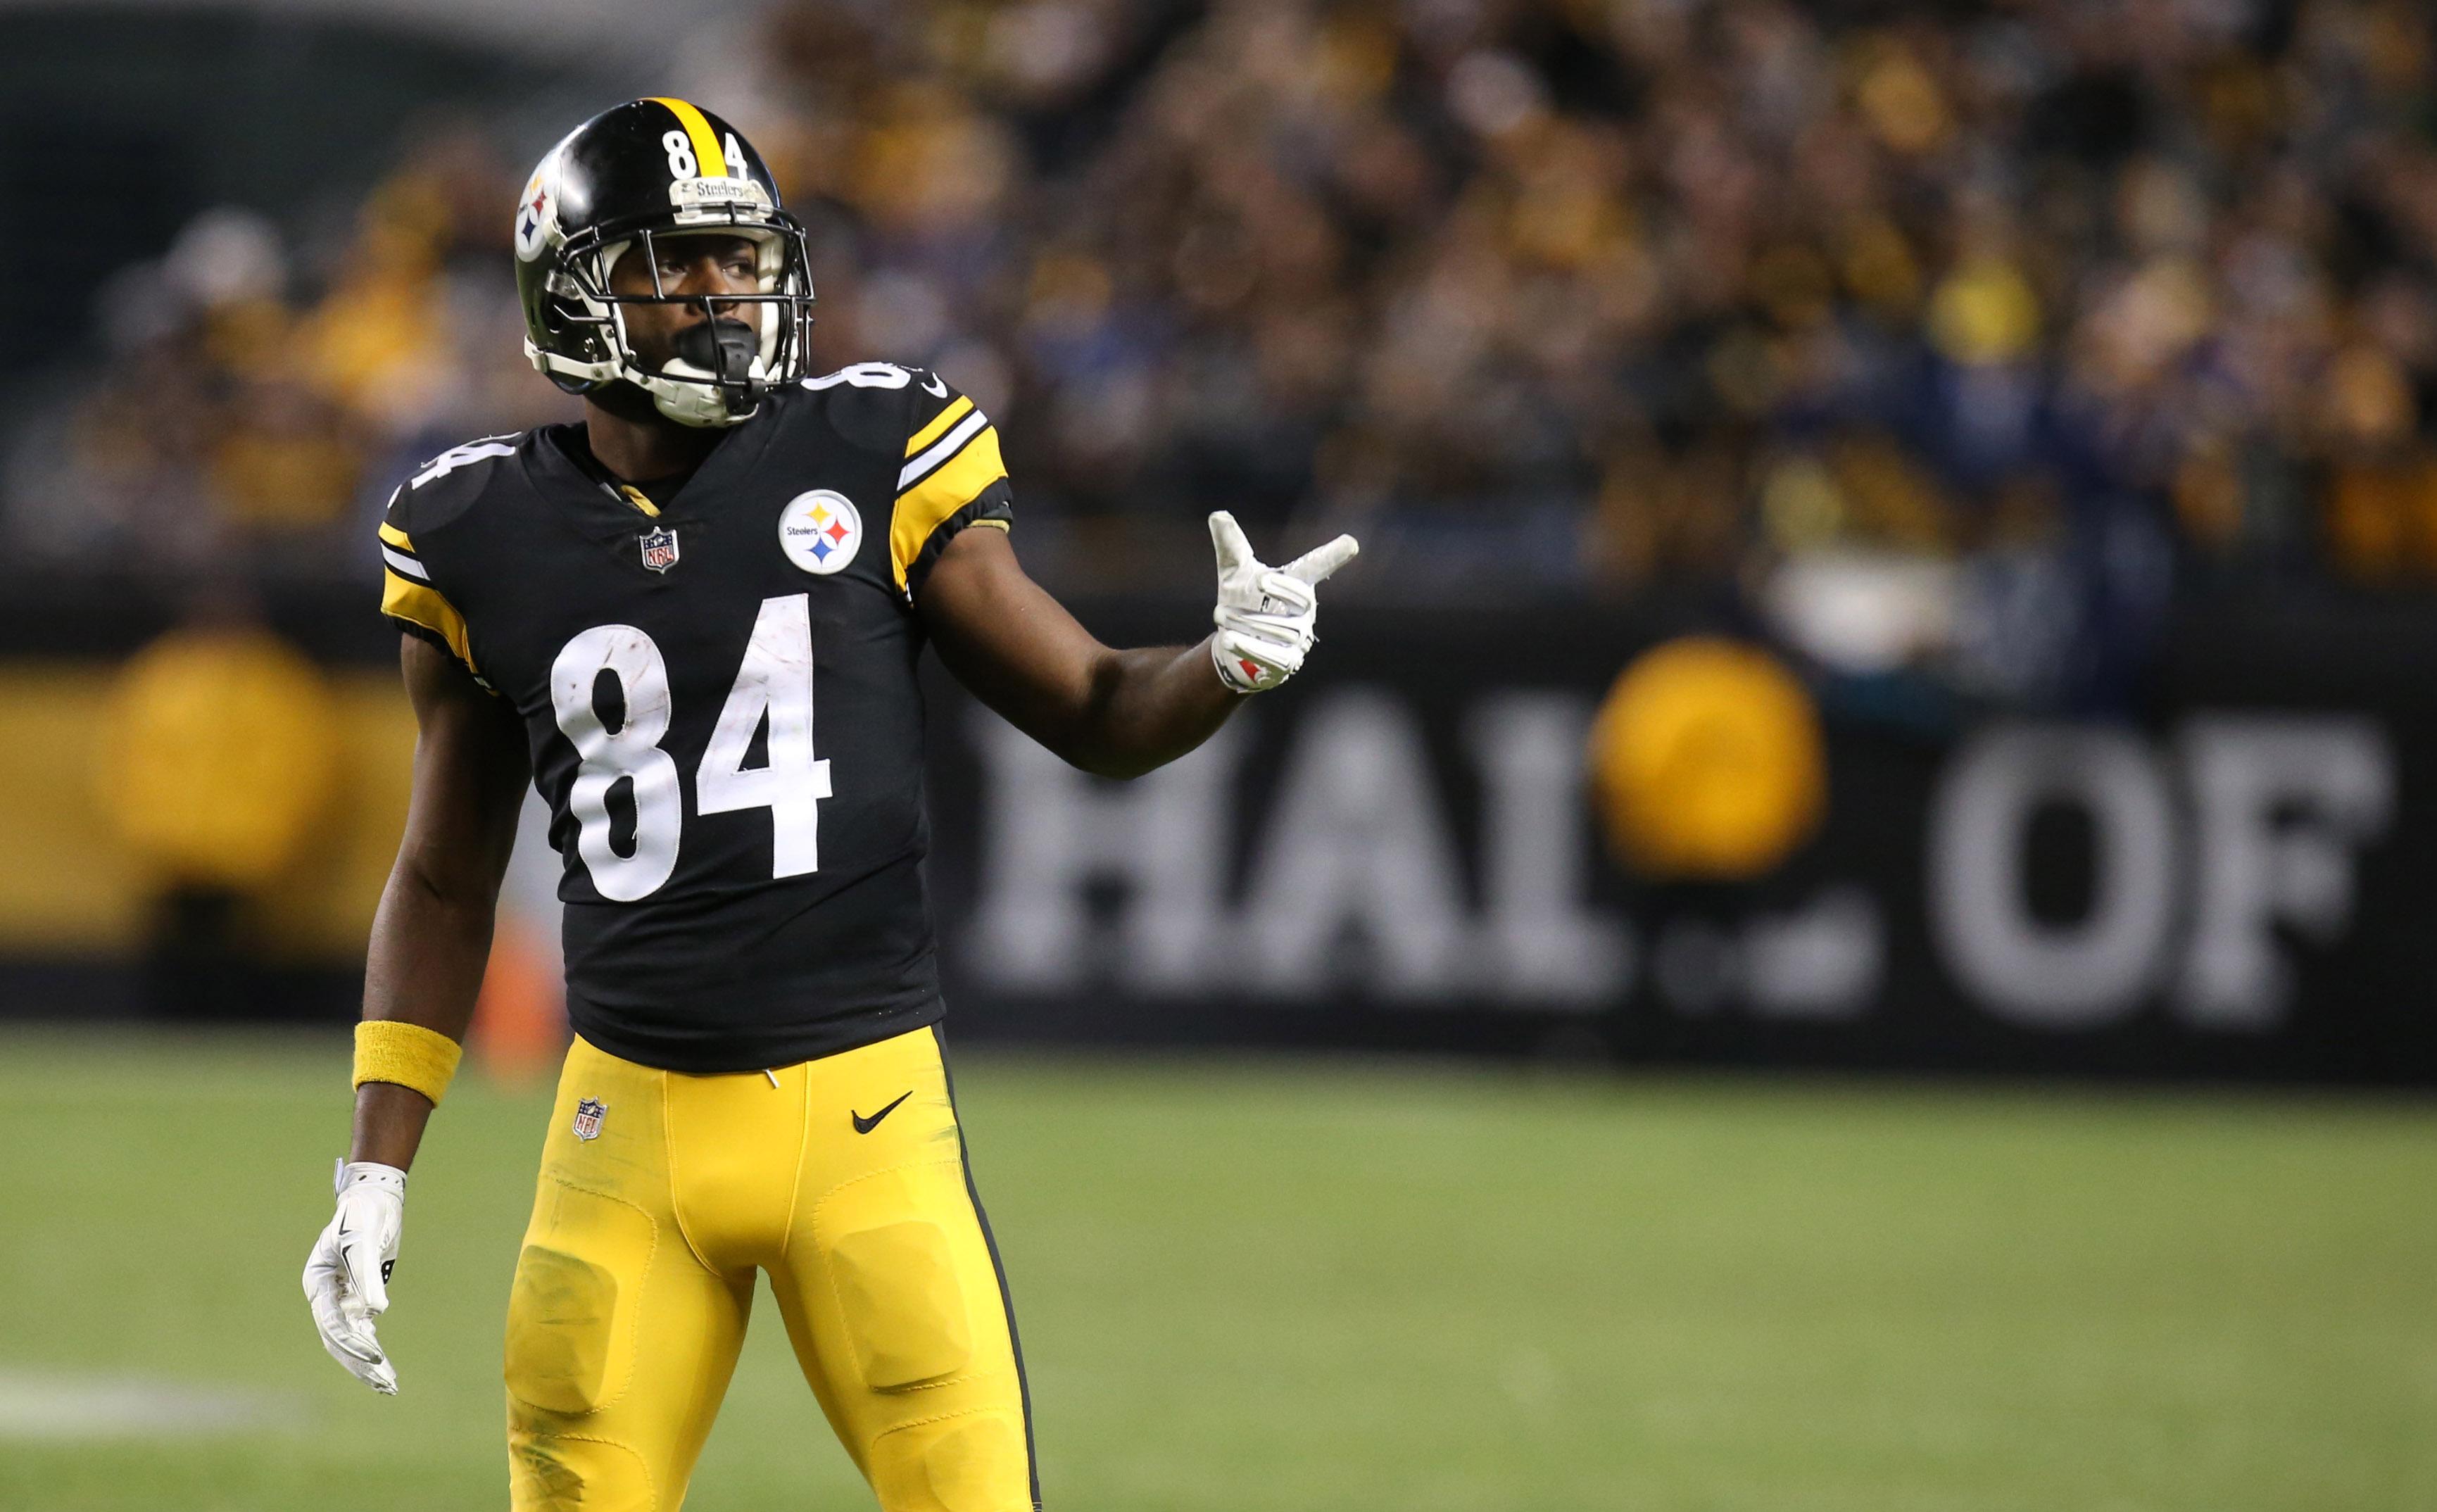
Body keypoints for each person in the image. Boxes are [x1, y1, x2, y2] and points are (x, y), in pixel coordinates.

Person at [299, 97, 1355, 1512]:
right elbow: (442, 877)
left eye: (742, 259)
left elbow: (1096, 711)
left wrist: (1219, 668)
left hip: (868, 1125)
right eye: (676, 262)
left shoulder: (870, 451)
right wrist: (378, 1169)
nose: (726, 292)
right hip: (621, 1142)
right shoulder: (474, 530)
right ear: (574, 289)